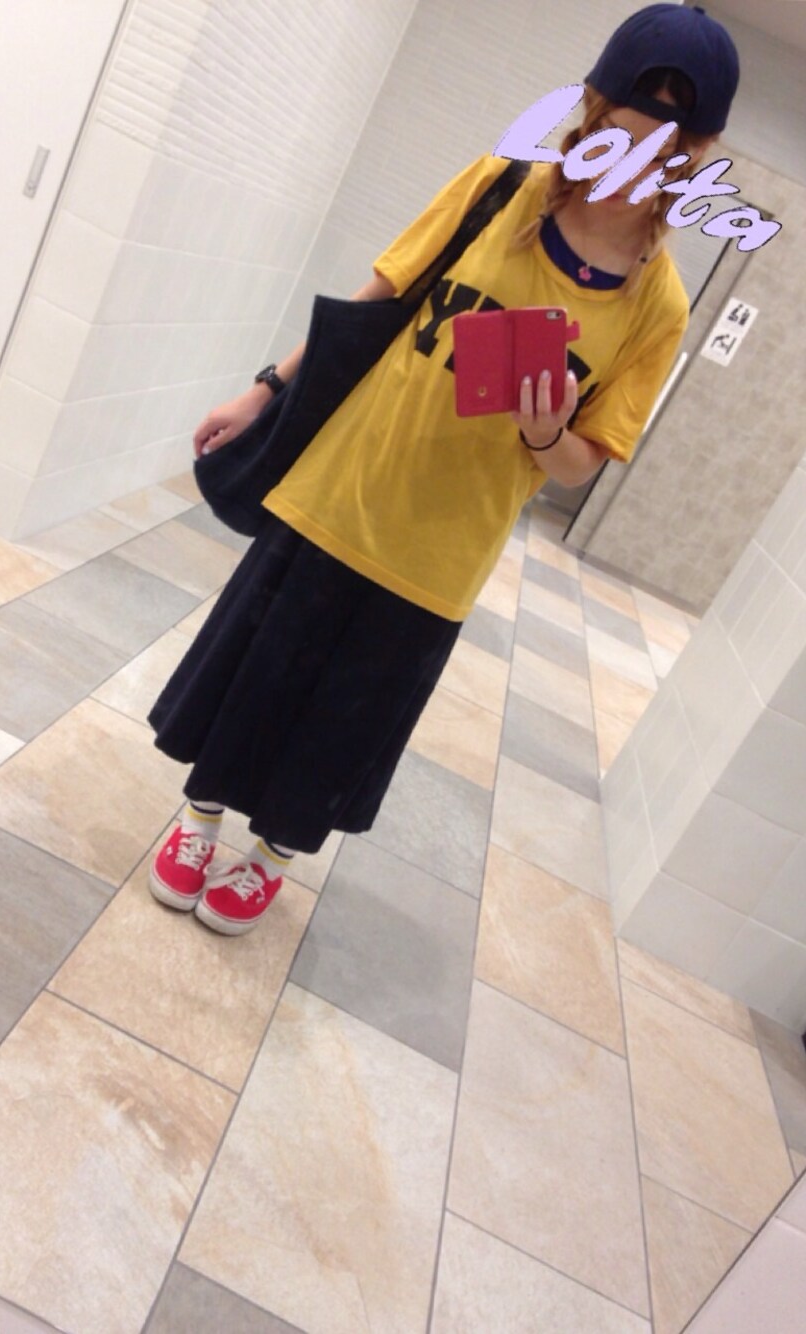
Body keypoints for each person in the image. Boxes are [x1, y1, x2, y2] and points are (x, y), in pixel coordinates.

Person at [146, 4, 739, 935]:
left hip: (440, 553)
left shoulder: (657, 304)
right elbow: (377, 297)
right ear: (591, 113)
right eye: (623, 135)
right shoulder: (500, 190)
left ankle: (272, 858)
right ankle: (198, 820)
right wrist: (263, 390)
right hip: (343, 488)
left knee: (342, 723)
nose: (635, 166)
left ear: (694, 158)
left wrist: (546, 433)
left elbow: (582, 464)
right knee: (252, 673)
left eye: (665, 151)